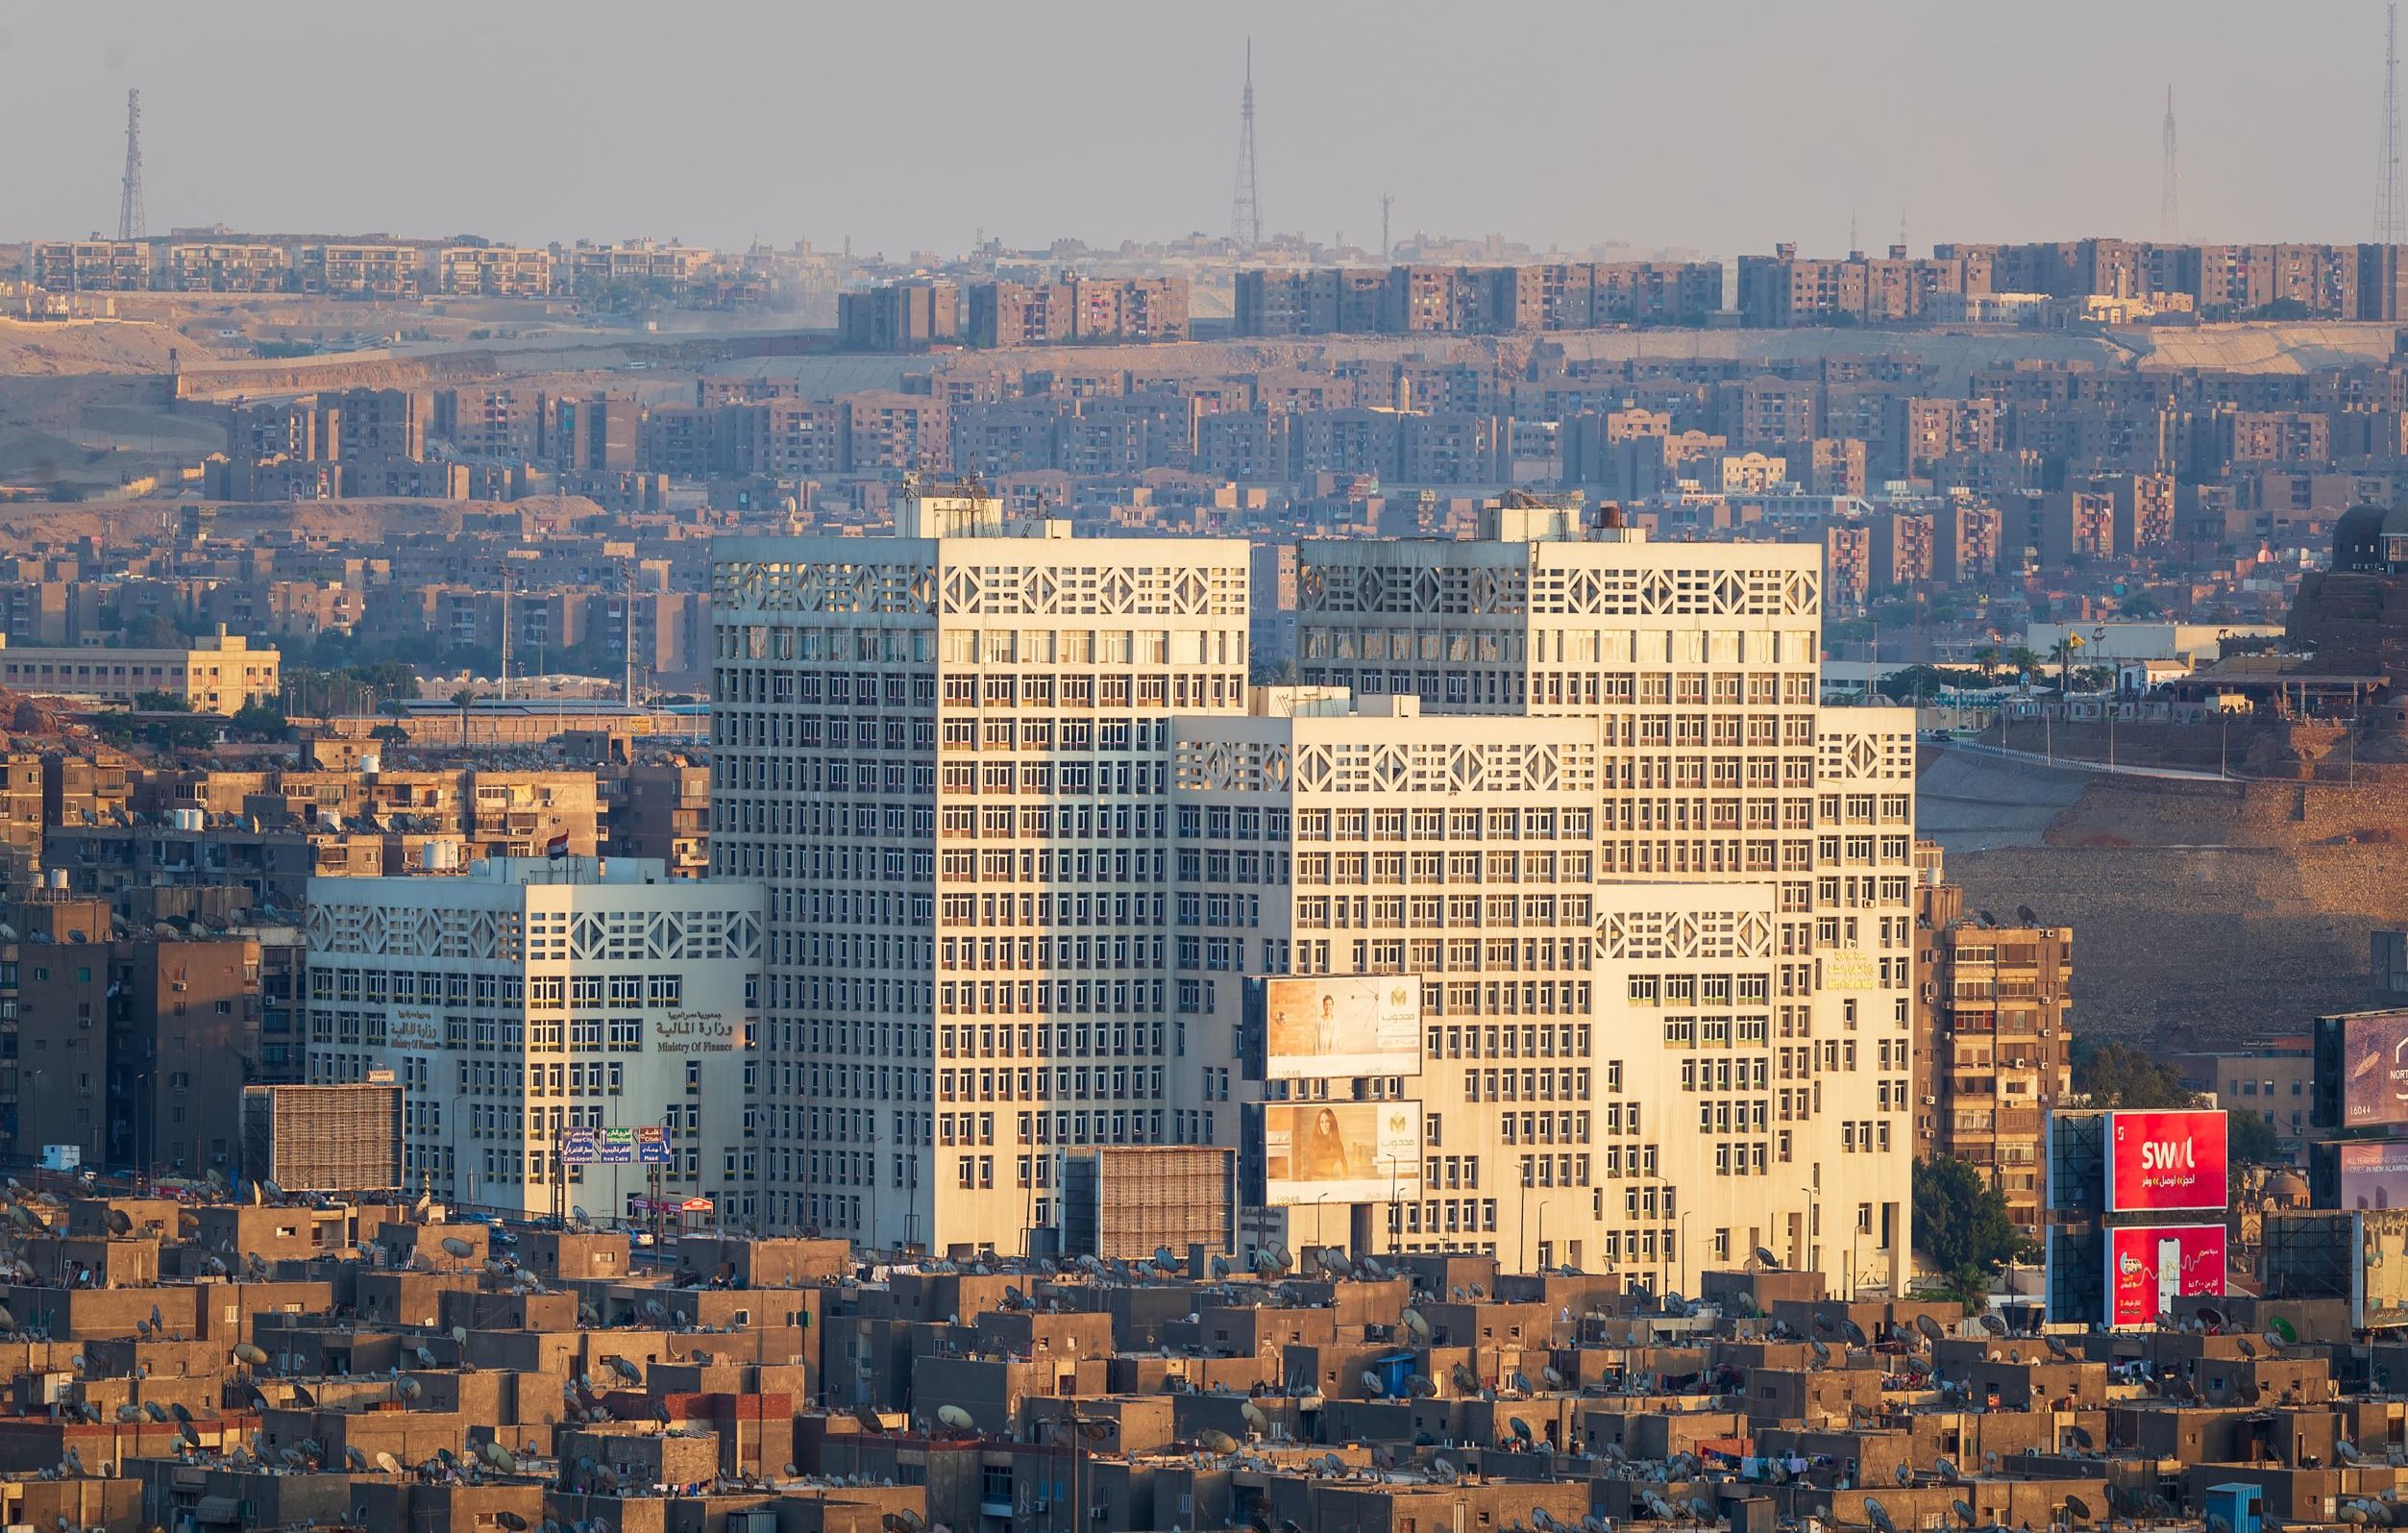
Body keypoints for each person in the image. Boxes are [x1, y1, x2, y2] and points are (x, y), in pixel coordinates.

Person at [1301, 1107, 1351, 1180]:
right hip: (1315, 1183)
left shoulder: (1337, 1144)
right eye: (1322, 1122)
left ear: (1332, 1123)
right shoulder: (1314, 1142)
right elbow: (1308, 1169)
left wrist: (1344, 1183)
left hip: (1330, 1182)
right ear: (1319, 1124)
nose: (1324, 1125)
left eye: (1327, 1121)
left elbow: (1345, 1166)